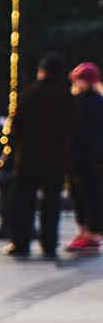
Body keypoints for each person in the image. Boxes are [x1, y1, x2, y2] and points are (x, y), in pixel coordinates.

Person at [6, 53, 78, 259]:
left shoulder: (31, 94)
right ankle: (49, 243)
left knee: (23, 202)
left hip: (29, 157)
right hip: (56, 158)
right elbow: (74, 124)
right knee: (51, 204)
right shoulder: (66, 97)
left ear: (42, 71)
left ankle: (20, 242)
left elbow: (17, 124)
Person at [66, 62, 103, 252]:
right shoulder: (79, 101)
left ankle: (93, 233)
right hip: (76, 156)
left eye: (80, 80)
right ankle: (84, 230)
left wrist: (98, 156)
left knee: (90, 196)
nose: (76, 84)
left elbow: (98, 132)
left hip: (89, 157)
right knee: (78, 195)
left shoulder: (96, 103)